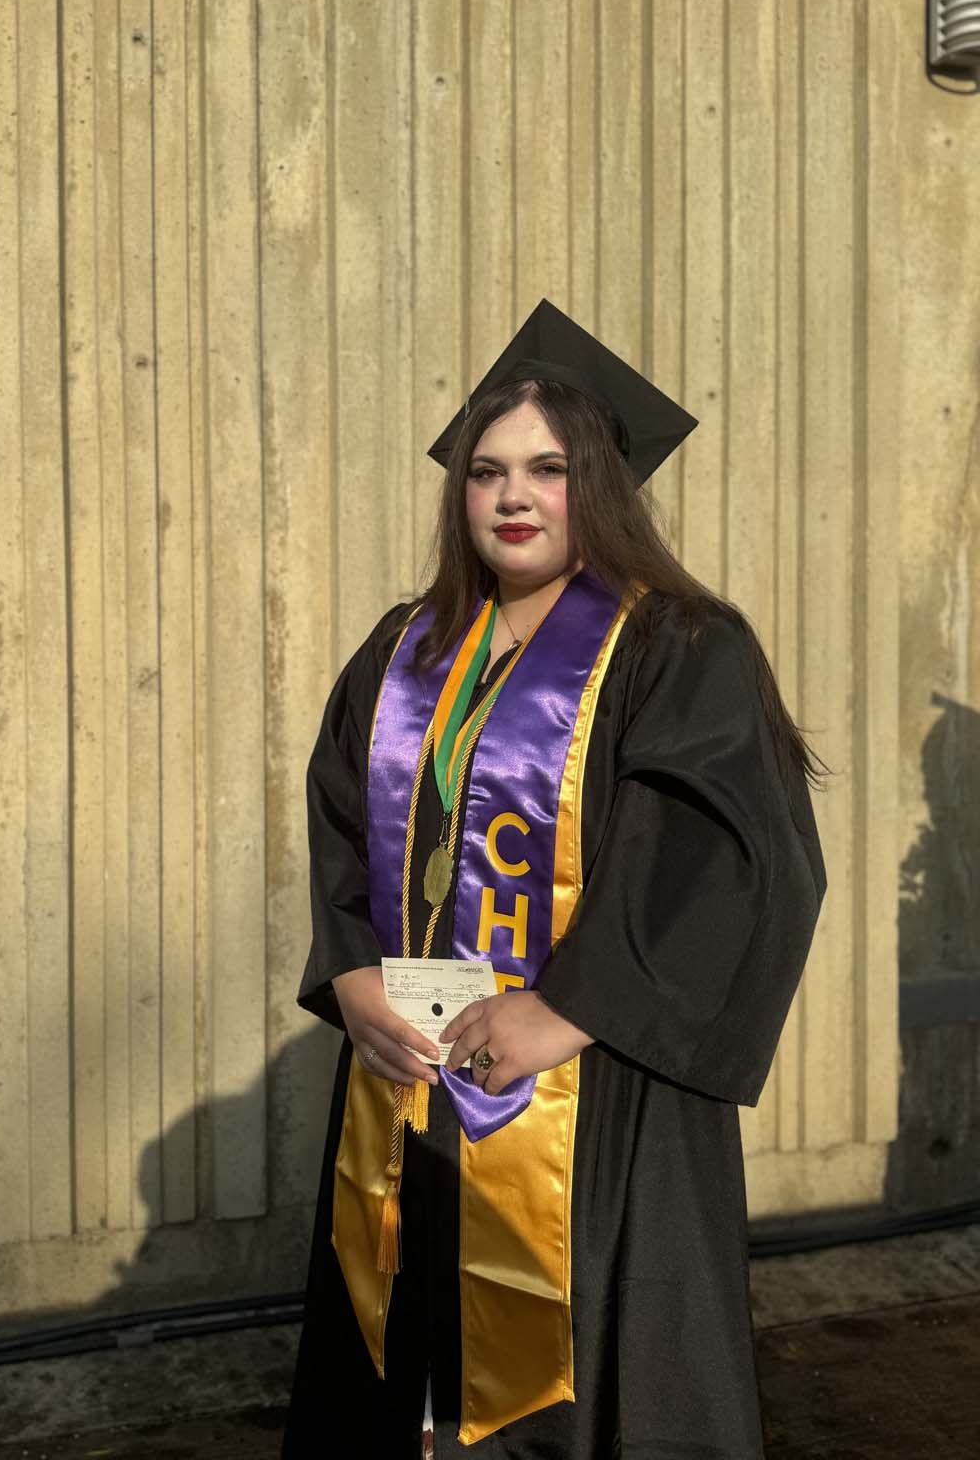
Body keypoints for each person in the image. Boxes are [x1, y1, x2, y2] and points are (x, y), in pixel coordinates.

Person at [282, 298, 828, 1459]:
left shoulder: (681, 646)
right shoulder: (407, 647)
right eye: (486, 471)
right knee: (412, 1368)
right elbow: (342, 825)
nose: (512, 496)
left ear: (604, 487)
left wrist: (568, 1008)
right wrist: (349, 972)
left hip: (595, 1091)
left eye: (547, 468)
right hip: (416, 1075)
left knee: (585, 1390)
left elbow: (731, 861)